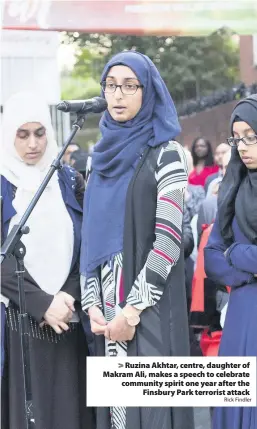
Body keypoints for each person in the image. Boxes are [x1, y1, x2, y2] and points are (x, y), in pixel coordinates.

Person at [80, 51, 194, 429]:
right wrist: (94, 303)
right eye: (111, 86)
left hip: (150, 310)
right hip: (107, 315)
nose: (118, 96)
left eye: (130, 86)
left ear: (149, 92)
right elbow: (91, 234)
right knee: (118, 418)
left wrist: (131, 311)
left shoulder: (169, 155)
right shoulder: (99, 159)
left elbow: (169, 242)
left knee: (154, 415)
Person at [1, 92, 95, 429]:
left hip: (69, 316)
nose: (33, 143)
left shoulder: (68, 180)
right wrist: (42, 304)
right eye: (22, 134)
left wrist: (67, 296)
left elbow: (87, 243)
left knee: (72, 411)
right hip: (17, 322)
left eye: (39, 133)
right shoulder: (2, 182)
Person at [204, 94, 257, 429]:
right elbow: (211, 259)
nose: (243, 146)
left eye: (252, 136)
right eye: (237, 138)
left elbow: (227, 252)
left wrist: (238, 254)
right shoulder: (232, 190)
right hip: (242, 313)